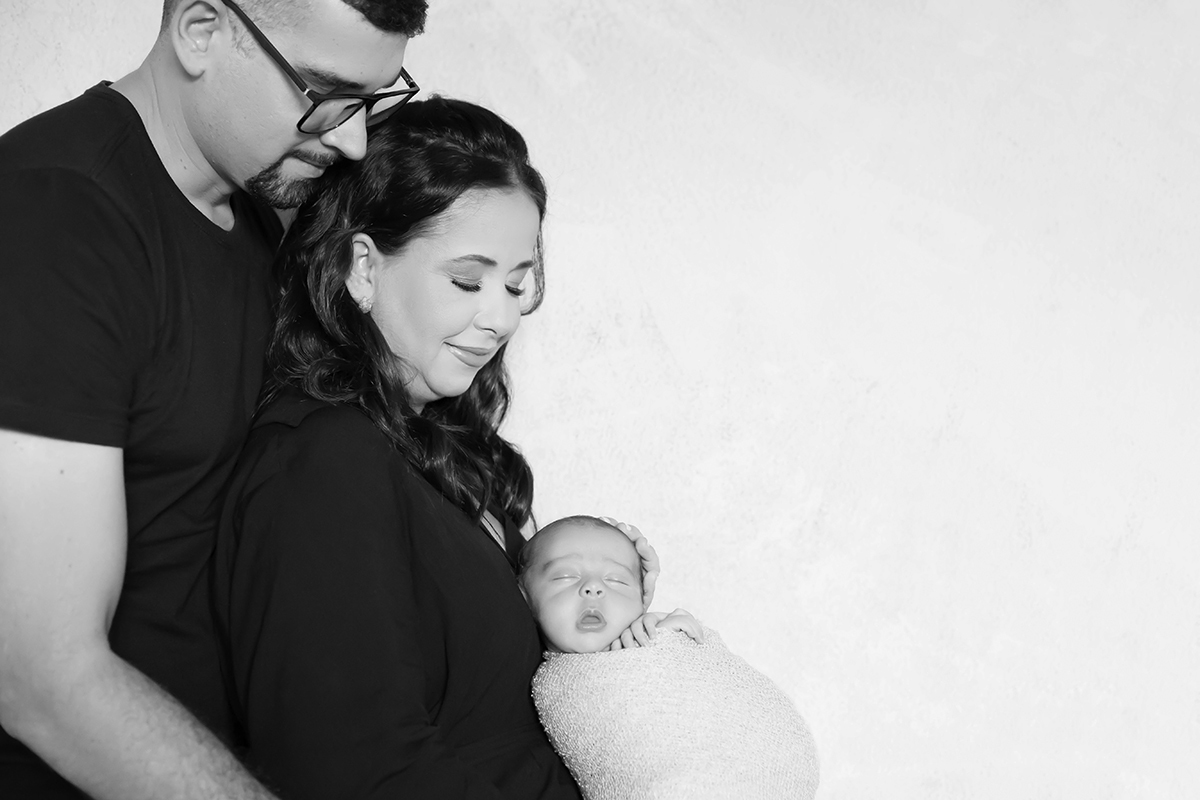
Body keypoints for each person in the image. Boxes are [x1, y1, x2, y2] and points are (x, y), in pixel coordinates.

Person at [0, 1, 426, 798]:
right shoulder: (51, 214)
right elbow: (36, 674)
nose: (351, 140)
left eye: (372, 100)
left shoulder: (266, 211)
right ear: (201, 31)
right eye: (325, 94)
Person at [211, 96, 657, 799]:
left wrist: (596, 602)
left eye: (517, 284)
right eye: (467, 281)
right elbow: (354, 771)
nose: (501, 317)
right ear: (363, 267)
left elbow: (483, 696)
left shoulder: (441, 452)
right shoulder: (325, 461)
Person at [519, 515, 821, 800]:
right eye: (565, 576)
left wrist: (674, 640)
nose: (594, 587)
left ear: (642, 600)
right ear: (521, 594)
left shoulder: (656, 637)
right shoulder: (546, 681)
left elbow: (719, 700)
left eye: (617, 580)